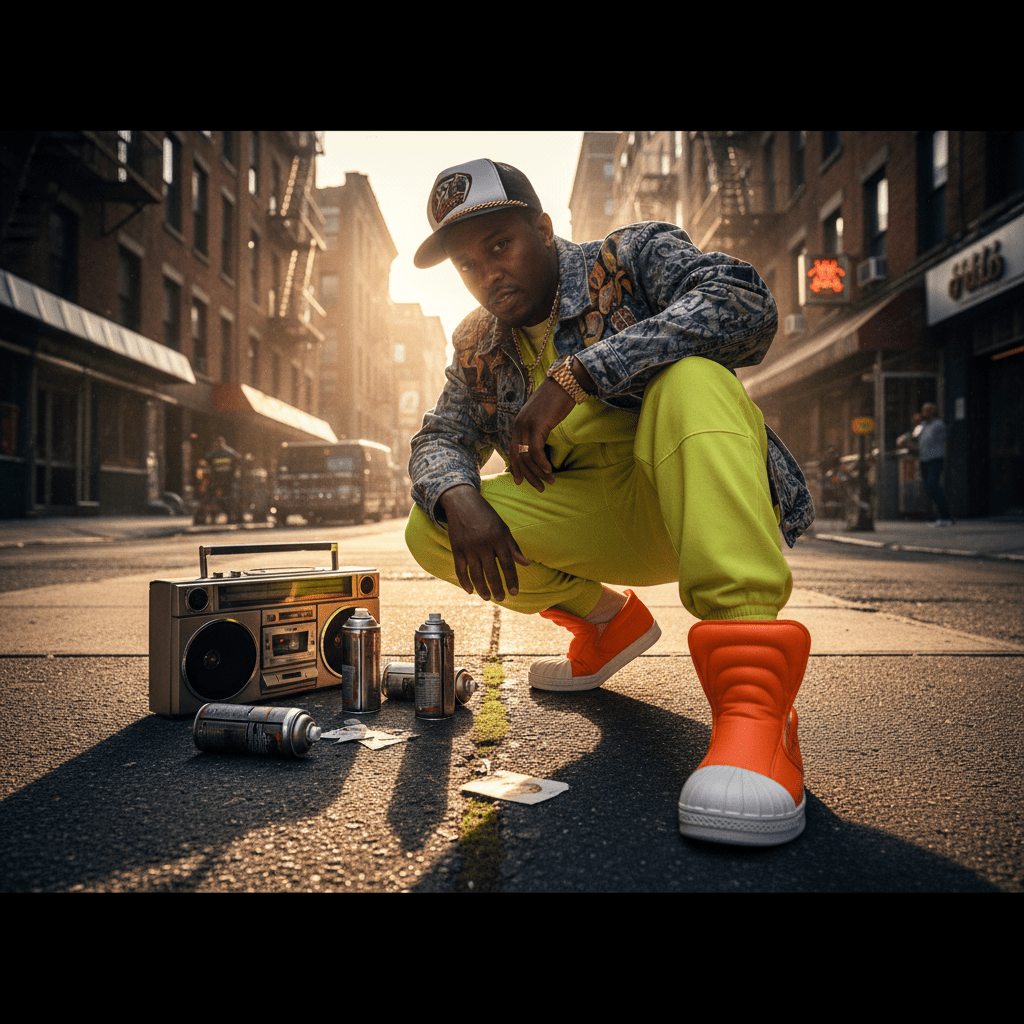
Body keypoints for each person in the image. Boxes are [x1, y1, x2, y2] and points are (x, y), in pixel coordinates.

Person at [405, 159, 815, 847]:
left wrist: (580, 373)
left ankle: (757, 711)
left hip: (697, 491)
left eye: (500, 245)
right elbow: (441, 434)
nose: (488, 274)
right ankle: (608, 624)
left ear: (541, 228)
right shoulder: (476, 340)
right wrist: (457, 492)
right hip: (599, 515)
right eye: (468, 265)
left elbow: (743, 302)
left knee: (694, 379)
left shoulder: (628, 258)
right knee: (432, 525)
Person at [917, 403, 953, 525]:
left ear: (932, 411)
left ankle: (946, 517)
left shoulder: (938, 425)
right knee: (928, 489)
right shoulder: (922, 426)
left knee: (934, 487)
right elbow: (915, 437)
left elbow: (939, 440)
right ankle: (932, 517)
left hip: (934, 459)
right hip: (924, 460)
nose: (923, 413)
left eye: (925, 411)